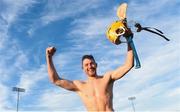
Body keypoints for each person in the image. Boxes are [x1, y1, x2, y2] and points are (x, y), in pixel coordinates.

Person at [46, 43, 134, 111]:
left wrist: (129, 40)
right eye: (86, 65)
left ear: (96, 65)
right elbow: (55, 80)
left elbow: (128, 65)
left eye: (92, 63)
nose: (90, 66)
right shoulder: (79, 85)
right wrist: (49, 57)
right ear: (82, 68)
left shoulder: (107, 78)